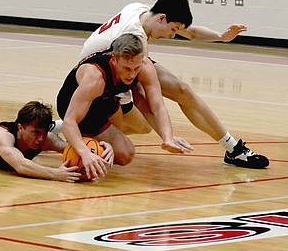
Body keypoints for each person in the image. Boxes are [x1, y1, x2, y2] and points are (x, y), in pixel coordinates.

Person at [68, 0, 270, 170]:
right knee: (141, 125)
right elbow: (149, 100)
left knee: (182, 89)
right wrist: (167, 137)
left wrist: (221, 37)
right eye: (173, 30)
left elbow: (189, 32)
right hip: (95, 78)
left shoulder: (142, 10)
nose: (173, 36)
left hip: (117, 63)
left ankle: (232, 148)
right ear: (162, 18)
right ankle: (66, 127)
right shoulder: (134, 37)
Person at [57, 33, 193, 180]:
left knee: (129, 149)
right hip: (73, 104)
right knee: (118, 153)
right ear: (114, 60)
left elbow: (158, 107)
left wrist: (168, 138)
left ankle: (84, 141)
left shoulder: (145, 67)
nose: (132, 74)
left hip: (106, 100)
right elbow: (70, 121)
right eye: (127, 68)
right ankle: (61, 140)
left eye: (136, 68)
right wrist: (85, 152)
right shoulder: (95, 78)